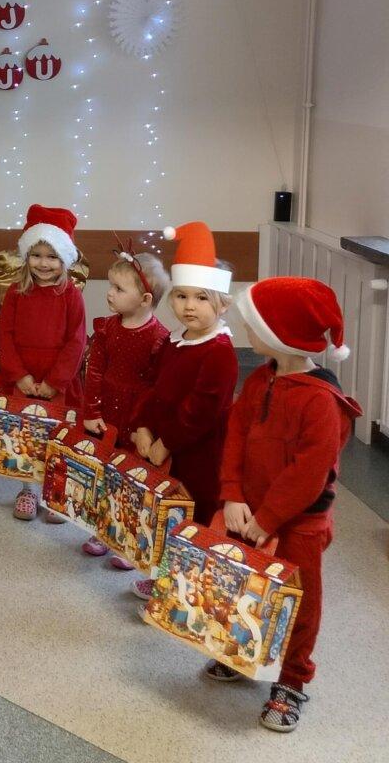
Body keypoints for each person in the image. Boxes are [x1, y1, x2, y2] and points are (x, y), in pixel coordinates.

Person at [209, 277, 361, 733]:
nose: (246, 331)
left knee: (298, 601)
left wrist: (269, 519)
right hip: (247, 511)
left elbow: (308, 474)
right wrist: (232, 493)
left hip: (299, 524)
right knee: (246, 586)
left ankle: (292, 680)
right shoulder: (261, 378)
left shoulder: (321, 402)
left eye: (254, 325)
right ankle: (244, 652)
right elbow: (235, 436)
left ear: (281, 335)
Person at [130, 221, 238, 599]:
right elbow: (151, 386)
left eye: (201, 298)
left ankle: (185, 587)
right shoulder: (174, 340)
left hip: (199, 456)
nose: (189, 306)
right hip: (164, 446)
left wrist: (166, 443)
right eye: (181, 296)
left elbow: (200, 411)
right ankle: (163, 576)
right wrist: (142, 426)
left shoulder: (220, 351)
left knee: (193, 517)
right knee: (166, 511)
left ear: (222, 303)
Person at [0, 204, 87, 523]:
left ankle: (56, 493)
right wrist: (19, 375)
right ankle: (27, 491)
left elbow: (76, 341)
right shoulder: (16, 292)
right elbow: (5, 335)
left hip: (56, 383)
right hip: (23, 379)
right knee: (27, 436)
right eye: (36, 255)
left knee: (57, 437)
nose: (43, 263)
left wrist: (54, 382)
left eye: (52, 257)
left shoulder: (71, 295)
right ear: (26, 256)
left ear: (65, 259)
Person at [79, 243, 170, 562]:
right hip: (106, 415)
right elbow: (94, 371)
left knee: (132, 480)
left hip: (135, 420)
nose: (110, 293)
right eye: (111, 285)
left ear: (145, 299)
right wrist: (91, 411)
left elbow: (157, 390)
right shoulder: (107, 328)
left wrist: (145, 428)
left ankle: (129, 541)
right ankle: (102, 529)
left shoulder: (159, 338)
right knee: (104, 473)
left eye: (119, 289)